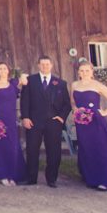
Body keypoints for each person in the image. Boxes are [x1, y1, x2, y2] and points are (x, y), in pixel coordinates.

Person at [71, 61, 107, 191]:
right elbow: (73, 102)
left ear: (92, 71)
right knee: (87, 148)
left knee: (101, 148)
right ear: (78, 72)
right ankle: (91, 177)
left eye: (87, 70)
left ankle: (106, 179)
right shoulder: (74, 85)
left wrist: (104, 113)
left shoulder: (97, 85)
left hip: (96, 121)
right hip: (81, 122)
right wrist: (76, 110)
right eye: (82, 70)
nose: (84, 73)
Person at [19, 55, 72, 188]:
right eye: (42, 64)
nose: (45, 66)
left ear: (51, 65)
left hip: (53, 122)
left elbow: (67, 104)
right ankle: (31, 178)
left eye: (47, 64)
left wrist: (61, 118)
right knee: (32, 150)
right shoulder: (30, 81)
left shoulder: (60, 83)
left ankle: (51, 179)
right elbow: (24, 100)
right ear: (38, 65)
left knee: (54, 151)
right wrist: (25, 117)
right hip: (33, 122)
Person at [0, 62, 27, 186]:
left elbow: (25, 80)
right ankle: (2, 175)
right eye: (0, 69)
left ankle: (13, 175)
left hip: (11, 119)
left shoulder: (13, 84)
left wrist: (19, 74)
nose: (2, 71)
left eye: (4, 68)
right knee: (0, 147)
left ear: (8, 70)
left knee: (12, 146)